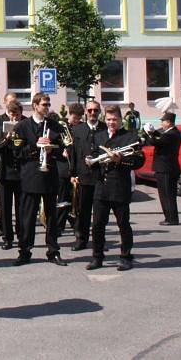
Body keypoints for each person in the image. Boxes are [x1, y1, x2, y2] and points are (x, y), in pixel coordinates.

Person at [85, 106, 145, 271]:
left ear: (120, 120)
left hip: (120, 186)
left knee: (123, 224)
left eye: (115, 119)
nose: (112, 122)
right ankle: (97, 257)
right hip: (101, 186)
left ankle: (125, 257)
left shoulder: (130, 137)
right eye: (109, 119)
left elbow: (139, 162)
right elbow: (95, 158)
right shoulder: (99, 136)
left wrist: (119, 160)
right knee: (97, 224)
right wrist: (90, 161)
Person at [13, 93, 67, 267]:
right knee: (27, 217)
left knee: (51, 217)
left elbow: (63, 150)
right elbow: (16, 152)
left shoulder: (55, 126)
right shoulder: (22, 126)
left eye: (48, 104)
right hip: (30, 176)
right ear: (35, 106)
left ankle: (53, 251)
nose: (47, 107)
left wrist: (52, 149)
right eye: (44, 104)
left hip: (49, 176)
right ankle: (25, 251)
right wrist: (35, 146)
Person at [70, 100, 107, 250]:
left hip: (100, 177)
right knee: (83, 211)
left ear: (99, 112)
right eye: (90, 110)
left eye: (96, 111)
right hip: (84, 176)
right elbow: (73, 153)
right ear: (86, 111)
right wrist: (72, 173)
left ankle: (99, 241)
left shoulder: (105, 129)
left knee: (100, 213)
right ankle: (81, 239)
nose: (93, 113)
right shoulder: (78, 130)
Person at [0, 101, 26, 249]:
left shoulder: (25, 127)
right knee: (4, 207)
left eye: (17, 114)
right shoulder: (0, 130)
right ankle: (7, 237)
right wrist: (7, 138)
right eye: (12, 114)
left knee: (21, 208)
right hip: (5, 173)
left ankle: (21, 235)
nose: (14, 118)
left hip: (22, 173)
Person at [143, 112, 181, 226]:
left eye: (163, 121)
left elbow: (156, 142)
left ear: (169, 122)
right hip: (165, 168)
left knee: (167, 195)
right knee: (165, 194)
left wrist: (147, 134)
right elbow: (160, 136)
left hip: (166, 169)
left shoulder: (172, 134)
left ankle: (171, 219)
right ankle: (169, 217)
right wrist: (153, 131)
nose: (162, 123)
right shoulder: (170, 133)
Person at [54, 103, 83, 237]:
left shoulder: (81, 128)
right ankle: (59, 226)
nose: (76, 120)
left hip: (76, 168)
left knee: (75, 199)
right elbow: (54, 144)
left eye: (79, 118)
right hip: (63, 167)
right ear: (70, 114)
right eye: (74, 118)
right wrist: (61, 151)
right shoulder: (61, 126)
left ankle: (76, 225)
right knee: (63, 199)